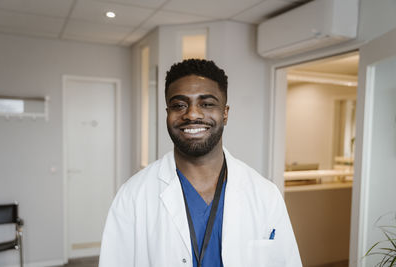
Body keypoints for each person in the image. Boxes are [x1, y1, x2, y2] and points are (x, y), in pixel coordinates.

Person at [99, 59, 302, 267]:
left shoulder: (265, 194)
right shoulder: (133, 196)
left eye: (206, 104)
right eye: (179, 105)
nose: (192, 114)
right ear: (167, 113)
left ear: (225, 113)